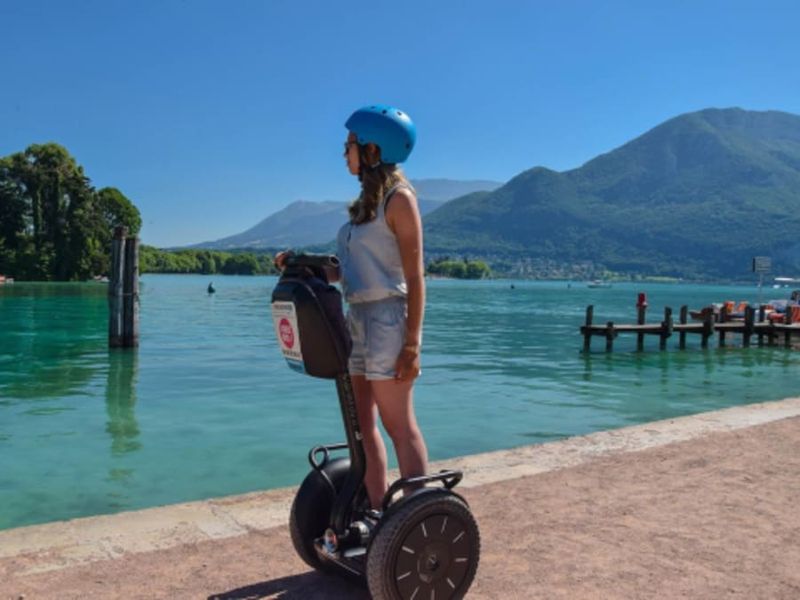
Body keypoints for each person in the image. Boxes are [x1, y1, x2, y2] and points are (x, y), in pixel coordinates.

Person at [276, 104, 428, 511]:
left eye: (350, 145)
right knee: (363, 429)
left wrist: (412, 344)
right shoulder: (365, 205)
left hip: (388, 321)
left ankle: (416, 514)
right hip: (356, 319)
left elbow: (414, 278)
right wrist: (302, 263)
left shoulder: (399, 200)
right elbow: (350, 271)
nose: (345, 153)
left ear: (373, 149)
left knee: (399, 427)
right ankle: (380, 515)